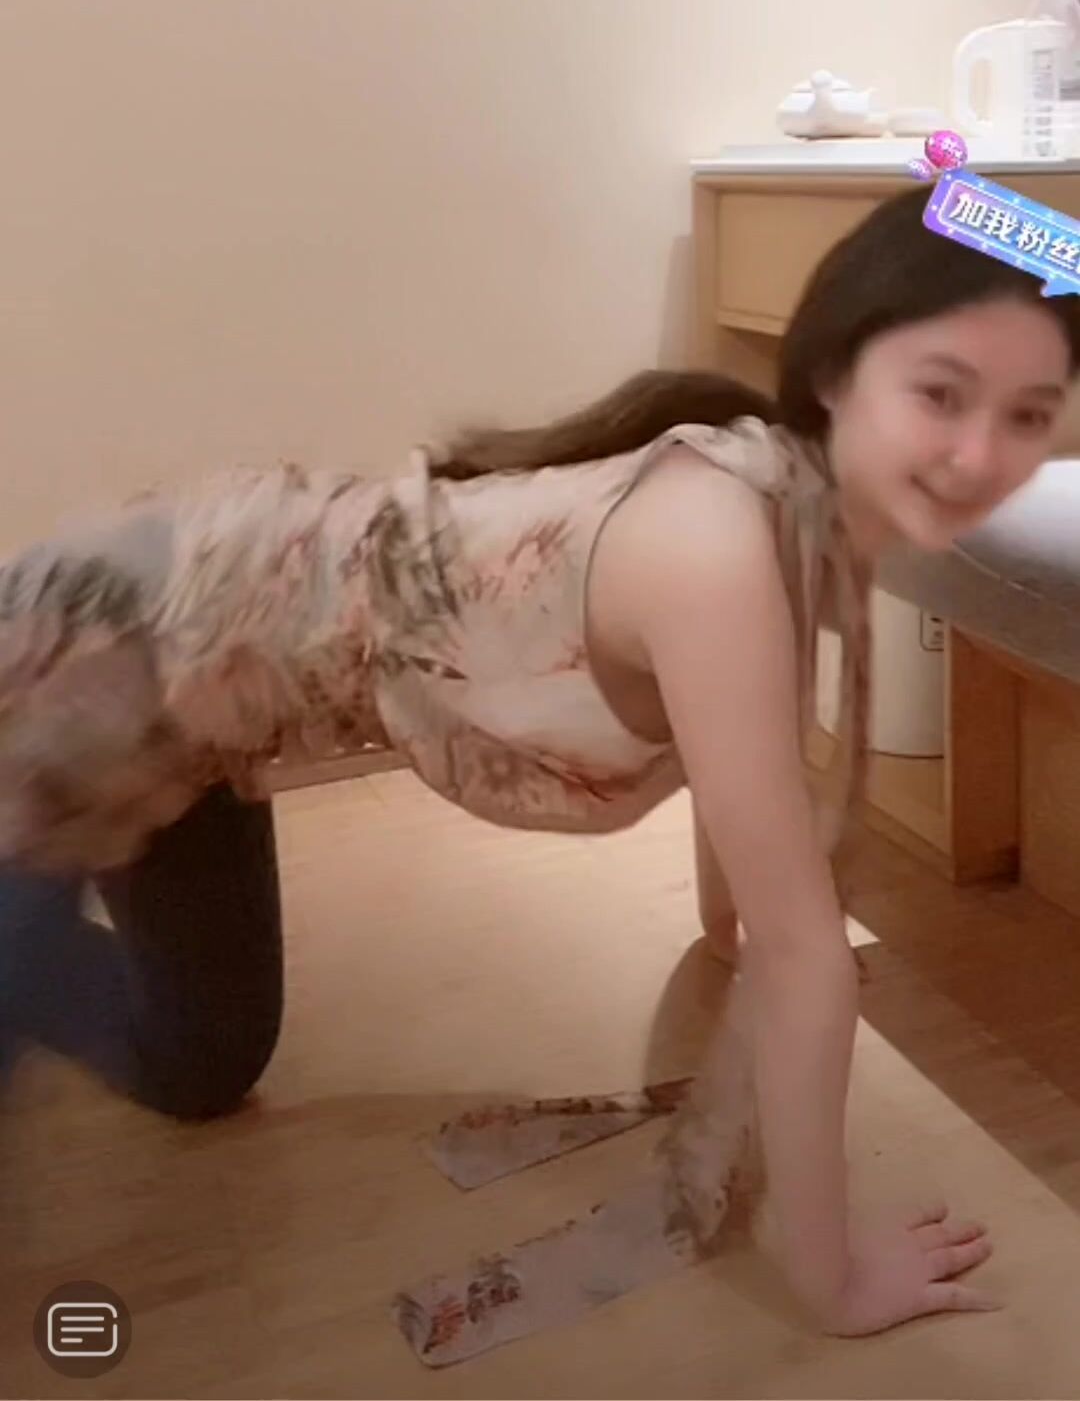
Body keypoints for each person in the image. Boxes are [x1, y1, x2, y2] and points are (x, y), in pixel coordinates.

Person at [1, 184, 1077, 1337]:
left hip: (201, 719)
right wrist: (835, 1277)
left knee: (203, 1064)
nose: (979, 454)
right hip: (74, 667)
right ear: (834, 372)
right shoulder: (714, 543)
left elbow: (742, 772)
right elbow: (807, 951)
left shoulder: (793, 508)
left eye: (1030, 414)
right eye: (940, 393)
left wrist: (733, 921)